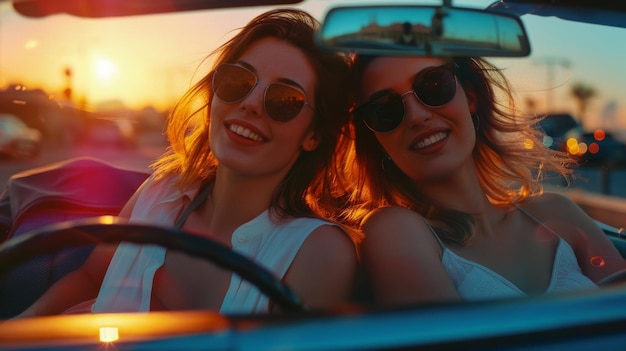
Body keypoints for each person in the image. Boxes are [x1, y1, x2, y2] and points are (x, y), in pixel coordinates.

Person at [17, 8, 358, 316]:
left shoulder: (318, 251)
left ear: (313, 135)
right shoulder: (160, 191)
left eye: (286, 99)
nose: (251, 103)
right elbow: (90, 279)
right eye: (237, 81)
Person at [344, 54, 626, 306]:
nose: (416, 117)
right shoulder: (394, 231)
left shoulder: (555, 211)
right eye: (384, 109)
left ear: (470, 97)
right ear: (375, 140)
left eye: (433, 86)